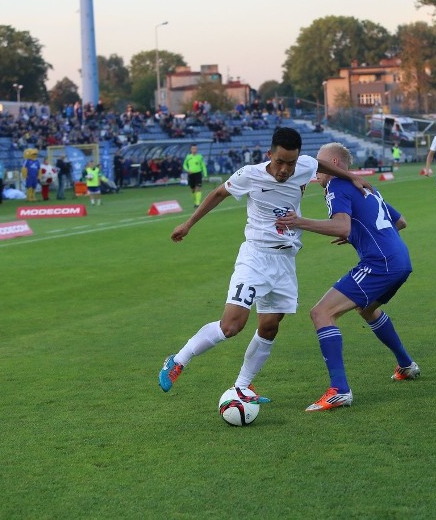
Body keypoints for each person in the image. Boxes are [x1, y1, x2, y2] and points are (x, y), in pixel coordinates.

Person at [157, 127, 374, 402]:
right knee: (231, 326)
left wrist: (352, 176)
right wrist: (188, 224)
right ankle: (177, 360)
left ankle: (242, 387)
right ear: (269, 154)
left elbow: (316, 163)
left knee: (270, 326)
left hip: (285, 261)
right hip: (255, 257)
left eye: (291, 163)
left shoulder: (303, 165)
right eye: (280, 161)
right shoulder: (250, 174)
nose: (285, 169)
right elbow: (218, 193)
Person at [276, 142, 419, 412]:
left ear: (335, 164)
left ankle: (339, 390)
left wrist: (298, 221)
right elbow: (400, 223)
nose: (317, 170)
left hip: (380, 262)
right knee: (367, 310)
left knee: (321, 313)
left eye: (321, 163)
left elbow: (341, 225)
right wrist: (357, 234)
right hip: (400, 259)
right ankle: (406, 365)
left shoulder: (336, 186)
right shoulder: (366, 188)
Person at [182, 144, 207, 209]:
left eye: (195, 149)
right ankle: (195, 201)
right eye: (193, 149)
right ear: (191, 150)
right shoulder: (188, 157)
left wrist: (205, 174)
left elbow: (203, 165)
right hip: (191, 174)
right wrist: (187, 170)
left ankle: (197, 203)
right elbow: (184, 165)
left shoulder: (200, 157)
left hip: (198, 173)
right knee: (192, 190)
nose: (194, 150)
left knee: (198, 188)